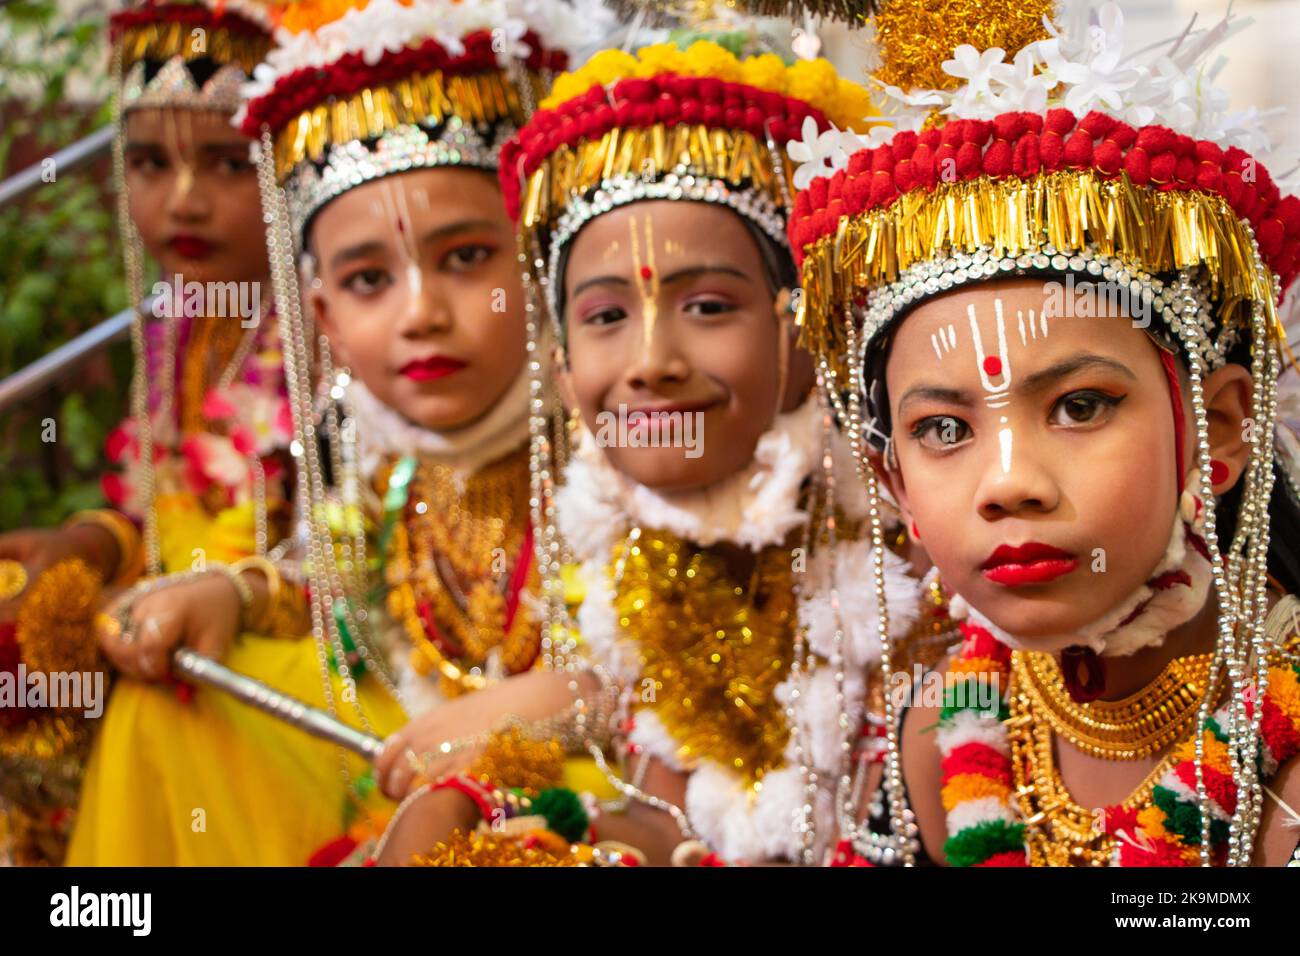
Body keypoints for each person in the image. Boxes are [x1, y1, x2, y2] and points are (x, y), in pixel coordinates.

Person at [365, 28, 936, 867]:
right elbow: (670, 802)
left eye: (707, 306)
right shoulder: (628, 567)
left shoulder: (923, 582)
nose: (651, 365)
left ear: (812, 326)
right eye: (605, 317)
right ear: (561, 368)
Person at [788, 0, 1300, 865]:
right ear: (897, 486)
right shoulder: (938, 730)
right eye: (945, 428)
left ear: (1214, 429)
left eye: (1080, 406)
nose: (1008, 482)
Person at [230, 0, 616, 865]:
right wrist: (233, 593)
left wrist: (557, 701)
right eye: (370, 279)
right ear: (323, 314)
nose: (422, 315)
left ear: (541, 253)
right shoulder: (368, 459)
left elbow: (704, 677)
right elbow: (328, 591)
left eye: (467, 258)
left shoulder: (625, 434)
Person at [0, 0, 298, 867]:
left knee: (141, 698)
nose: (184, 200)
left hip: (283, 644)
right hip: (174, 615)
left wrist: (204, 592)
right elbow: (158, 506)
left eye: (227, 163)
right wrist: (87, 545)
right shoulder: (181, 323)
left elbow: (332, 555)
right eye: (148, 163)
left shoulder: (333, 323)